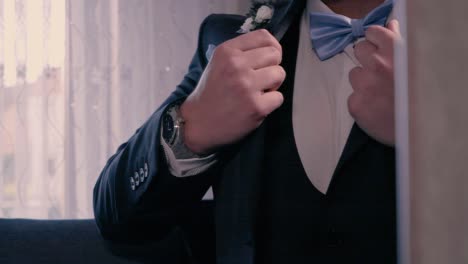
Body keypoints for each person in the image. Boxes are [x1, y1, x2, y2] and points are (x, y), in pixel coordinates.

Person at [93, 0, 400, 263]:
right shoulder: (229, 41)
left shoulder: (445, 57)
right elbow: (118, 220)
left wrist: (425, 136)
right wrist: (191, 127)